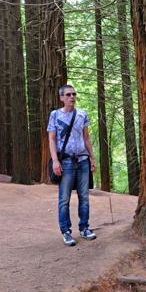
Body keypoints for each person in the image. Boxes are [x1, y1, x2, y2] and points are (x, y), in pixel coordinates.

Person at [47, 84, 97, 246]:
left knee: (84, 197)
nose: (72, 97)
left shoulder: (82, 115)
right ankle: (66, 231)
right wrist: (55, 160)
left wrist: (92, 158)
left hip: (82, 161)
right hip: (65, 162)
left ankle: (84, 228)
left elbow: (86, 138)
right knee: (64, 199)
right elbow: (52, 139)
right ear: (61, 98)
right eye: (68, 95)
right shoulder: (55, 115)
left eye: (74, 94)